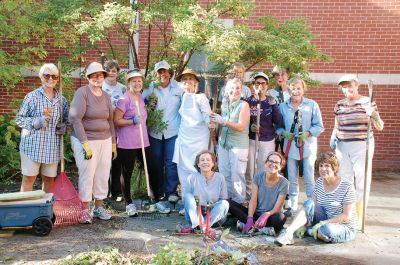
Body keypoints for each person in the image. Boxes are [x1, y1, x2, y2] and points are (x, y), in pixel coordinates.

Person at [331, 74, 384, 224]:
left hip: (362, 146)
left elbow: (379, 126)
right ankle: (348, 214)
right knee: (345, 181)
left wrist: (373, 115)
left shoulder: (367, 102)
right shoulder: (339, 104)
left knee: (362, 181)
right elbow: (337, 125)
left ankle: (359, 217)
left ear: (356, 85)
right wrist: (333, 135)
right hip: (342, 147)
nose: (347, 89)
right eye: (344, 86)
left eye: (350, 85)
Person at [275, 152, 358, 246]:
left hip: (344, 226)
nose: (323, 169)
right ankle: (288, 233)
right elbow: (310, 206)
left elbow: (345, 216)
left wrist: (323, 223)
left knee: (326, 230)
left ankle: (310, 231)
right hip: (325, 218)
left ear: (334, 168)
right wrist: (304, 222)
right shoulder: (319, 182)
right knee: (309, 203)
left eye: (327, 166)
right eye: (321, 165)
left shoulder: (347, 185)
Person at [69, 61, 117, 223]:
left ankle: (99, 208)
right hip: (86, 140)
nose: (98, 78)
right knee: (87, 174)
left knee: (103, 174)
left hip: (105, 139)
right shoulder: (82, 93)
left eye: (100, 75)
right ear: (88, 77)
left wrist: (113, 143)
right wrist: (85, 143)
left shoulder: (106, 96)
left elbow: (110, 120)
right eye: (94, 75)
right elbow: (75, 118)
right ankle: (83, 210)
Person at [16, 63, 68, 193]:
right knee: (29, 178)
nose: (51, 79)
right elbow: (19, 119)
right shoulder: (31, 97)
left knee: (49, 180)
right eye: (47, 75)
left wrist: (64, 126)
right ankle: (26, 210)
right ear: (40, 77)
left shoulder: (62, 100)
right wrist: (35, 122)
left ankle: (45, 211)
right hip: (32, 146)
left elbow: (66, 120)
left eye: (54, 76)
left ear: (58, 79)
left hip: (52, 147)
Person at [276, 78, 324, 212]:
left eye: (298, 88)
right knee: (291, 177)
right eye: (292, 88)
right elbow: (277, 126)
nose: (295, 91)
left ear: (303, 90)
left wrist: (308, 133)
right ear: (288, 90)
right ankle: (292, 205)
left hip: (308, 146)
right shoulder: (282, 107)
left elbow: (319, 126)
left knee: (309, 176)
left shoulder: (312, 105)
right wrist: (284, 133)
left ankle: (311, 204)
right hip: (290, 147)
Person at [142, 60, 183, 205]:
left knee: (171, 162)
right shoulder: (151, 88)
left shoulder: (178, 88)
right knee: (156, 162)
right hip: (155, 131)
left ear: (169, 72)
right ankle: (159, 191)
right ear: (156, 74)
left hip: (173, 130)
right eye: (160, 72)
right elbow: (140, 101)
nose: (162, 74)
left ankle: (171, 192)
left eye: (165, 71)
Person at [113, 70, 149, 217]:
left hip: (142, 140)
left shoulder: (140, 97)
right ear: (128, 83)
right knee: (127, 173)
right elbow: (116, 120)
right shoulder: (124, 99)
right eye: (133, 81)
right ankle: (129, 203)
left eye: (139, 81)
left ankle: (151, 196)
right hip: (127, 142)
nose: (137, 83)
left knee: (150, 166)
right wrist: (131, 121)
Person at [210, 78, 250, 204]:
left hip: (238, 146)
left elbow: (241, 126)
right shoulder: (224, 104)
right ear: (226, 90)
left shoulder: (244, 105)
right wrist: (215, 128)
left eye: (238, 88)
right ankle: (228, 205)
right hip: (223, 144)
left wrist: (223, 121)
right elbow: (221, 125)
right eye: (232, 88)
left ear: (242, 90)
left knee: (237, 177)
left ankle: (239, 205)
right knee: (225, 175)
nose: (235, 90)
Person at [245, 72, 283, 201]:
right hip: (251, 139)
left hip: (267, 140)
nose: (260, 86)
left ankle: (261, 196)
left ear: (267, 86)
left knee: (263, 168)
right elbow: (244, 120)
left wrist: (274, 105)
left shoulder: (271, 101)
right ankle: (249, 196)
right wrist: (250, 126)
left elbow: (278, 121)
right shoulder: (248, 101)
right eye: (257, 83)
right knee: (250, 169)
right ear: (253, 85)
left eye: (263, 83)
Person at [230, 151, 288, 235]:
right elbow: (253, 200)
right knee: (228, 203)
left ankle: (252, 227)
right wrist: (250, 217)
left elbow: (278, 208)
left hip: (270, 216)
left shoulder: (284, 183)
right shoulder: (258, 176)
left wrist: (267, 214)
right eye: (270, 161)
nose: (273, 164)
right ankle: (253, 225)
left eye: (276, 162)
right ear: (266, 163)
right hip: (256, 214)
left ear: (280, 167)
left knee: (281, 217)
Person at [173, 69, 211, 194]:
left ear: (195, 82)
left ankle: (200, 202)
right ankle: (187, 202)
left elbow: (207, 115)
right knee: (183, 172)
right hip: (184, 139)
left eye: (190, 79)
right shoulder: (183, 96)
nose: (187, 82)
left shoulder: (201, 97)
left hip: (199, 140)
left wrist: (210, 121)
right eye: (185, 80)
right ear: (182, 83)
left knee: (199, 170)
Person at [177, 150, 229, 239]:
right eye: (202, 160)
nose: (205, 162)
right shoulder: (192, 177)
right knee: (188, 196)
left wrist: (212, 206)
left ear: (213, 163)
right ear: (198, 164)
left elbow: (223, 199)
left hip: (214, 215)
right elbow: (186, 200)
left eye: (208, 160)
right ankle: (202, 226)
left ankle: (200, 227)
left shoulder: (220, 177)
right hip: (196, 214)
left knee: (225, 203)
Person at [102, 60, 127, 201]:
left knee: (117, 160)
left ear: (117, 73)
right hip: (104, 129)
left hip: (119, 128)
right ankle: (103, 193)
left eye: (114, 71)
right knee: (105, 161)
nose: (111, 73)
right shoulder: (100, 87)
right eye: (109, 70)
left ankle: (116, 192)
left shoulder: (123, 88)